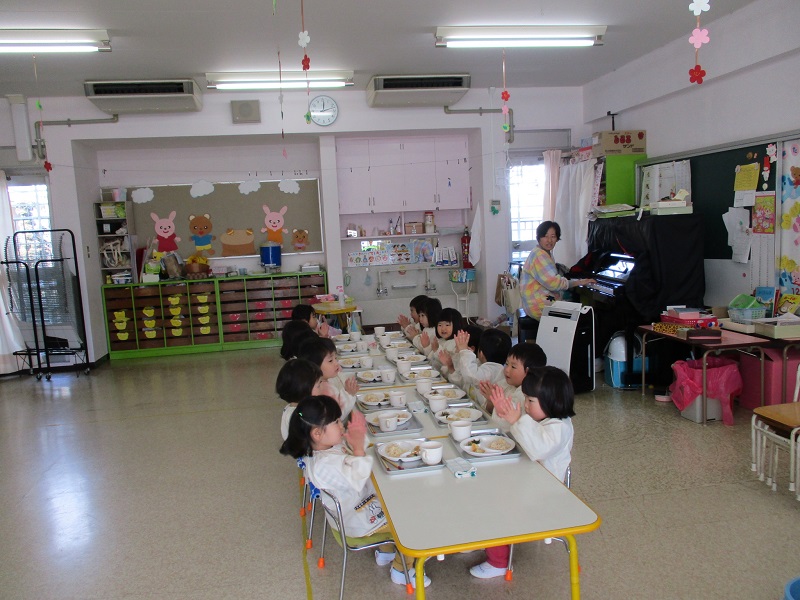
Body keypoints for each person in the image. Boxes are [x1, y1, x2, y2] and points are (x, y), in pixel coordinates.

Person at [279, 395, 430, 588]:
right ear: (317, 433)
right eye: (335, 422)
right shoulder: (323, 466)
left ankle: (386, 552)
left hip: (361, 506)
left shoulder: (325, 448)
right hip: (357, 520)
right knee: (412, 519)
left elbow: (354, 453)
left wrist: (357, 436)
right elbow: (357, 478)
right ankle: (402, 570)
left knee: (399, 494)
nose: (340, 424)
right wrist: (358, 448)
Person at [470, 366, 575, 579]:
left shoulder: (560, 427)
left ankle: (498, 562)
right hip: (527, 480)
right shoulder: (540, 417)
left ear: (552, 401)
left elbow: (538, 448)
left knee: (494, 502)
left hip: (543, 495)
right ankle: (485, 537)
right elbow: (513, 433)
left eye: (530, 401)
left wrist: (517, 420)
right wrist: (503, 412)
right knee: (481, 483)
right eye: (526, 399)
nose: (526, 405)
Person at [518, 221, 595, 338]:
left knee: (573, 307)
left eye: (553, 236)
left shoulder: (542, 252)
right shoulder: (540, 255)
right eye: (545, 236)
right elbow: (554, 284)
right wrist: (579, 282)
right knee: (578, 315)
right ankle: (566, 346)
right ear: (539, 238)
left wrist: (575, 282)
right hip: (538, 304)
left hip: (535, 301)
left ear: (557, 238)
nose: (549, 240)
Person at [479, 341, 547, 430]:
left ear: (528, 372)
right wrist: (491, 401)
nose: (507, 369)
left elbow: (510, 425)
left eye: (513, 367)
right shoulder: (504, 384)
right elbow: (489, 413)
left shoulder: (527, 396)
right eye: (507, 364)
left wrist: (498, 404)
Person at [447, 328, 511, 407]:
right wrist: (463, 353)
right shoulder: (480, 363)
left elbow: (471, 375)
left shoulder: (494, 369)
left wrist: (464, 352)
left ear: (481, 353)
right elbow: (462, 369)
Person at [297, 336, 358, 419]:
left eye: (335, 358)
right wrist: (349, 394)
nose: (336, 363)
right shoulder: (323, 389)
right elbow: (336, 414)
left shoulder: (316, 383)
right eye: (330, 360)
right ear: (314, 365)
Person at [275, 358, 324, 440]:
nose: (321, 388)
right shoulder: (300, 415)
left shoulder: (293, 409)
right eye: (318, 385)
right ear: (304, 389)